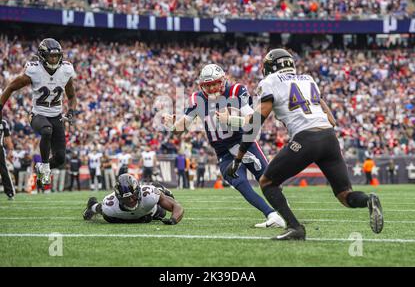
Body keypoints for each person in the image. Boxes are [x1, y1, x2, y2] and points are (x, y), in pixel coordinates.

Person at [225, 48, 384, 240]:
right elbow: (332, 120)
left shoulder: (270, 82)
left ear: (271, 67)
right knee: (344, 195)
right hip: (329, 138)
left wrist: (239, 156)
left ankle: (295, 227)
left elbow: (256, 122)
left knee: (267, 182)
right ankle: (368, 200)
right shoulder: (308, 80)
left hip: (305, 139)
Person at [164, 63, 285, 228]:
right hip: (224, 153)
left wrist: (230, 120)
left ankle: (286, 214)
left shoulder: (236, 91)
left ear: (222, 81)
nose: (213, 88)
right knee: (241, 184)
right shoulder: (197, 99)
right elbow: (181, 128)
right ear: (202, 86)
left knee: (267, 180)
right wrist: (172, 127)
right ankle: (272, 215)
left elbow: (254, 121)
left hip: (245, 144)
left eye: (215, 83)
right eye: (208, 85)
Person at [0, 38, 77, 189]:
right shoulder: (34, 71)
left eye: (56, 56)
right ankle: (45, 169)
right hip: (38, 115)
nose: (54, 59)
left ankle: (41, 168)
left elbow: (72, 96)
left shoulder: (66, 70)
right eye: (51, 56)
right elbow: (10, 88)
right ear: (42, 56)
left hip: (56, 116)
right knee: (46, 130)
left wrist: (71, 111)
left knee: (61, 158)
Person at [83, 173, 184, 225]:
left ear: (138, 191)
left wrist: (174, 219)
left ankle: (160, 188)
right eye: (126, 199)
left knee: (162, 213)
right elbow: (103, 209)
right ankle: (92, 205)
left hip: (147, 211)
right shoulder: (110, 207)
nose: (131, 201)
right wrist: (93, 207)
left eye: (133, 196)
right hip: (132, 215)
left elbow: (177, 206)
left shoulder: (149, 196)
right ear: (118, 198)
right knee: (105, 214)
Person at [0, 119, 15, 199]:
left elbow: (8, 138)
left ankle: (10, 192)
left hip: (0, 149)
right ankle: (10, 192)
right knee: (4, 170)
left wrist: (10, 151)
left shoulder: (3, 122)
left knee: (4, 170)